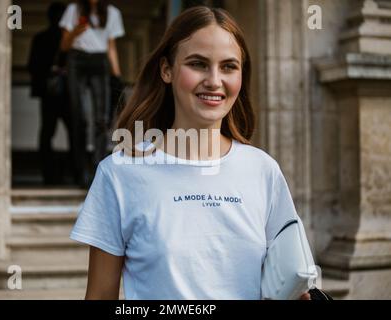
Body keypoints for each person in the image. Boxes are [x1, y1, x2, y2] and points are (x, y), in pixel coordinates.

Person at [70, 7, 311, 300]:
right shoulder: (119, 173)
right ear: (167, 70)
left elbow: (287, 283)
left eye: (228, 66)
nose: (214, 80)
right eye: (198, 64)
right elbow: (99, 295)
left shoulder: (263, 170)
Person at [59, 0, 125, 188]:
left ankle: (98, 169)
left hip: (100, 61)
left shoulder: (112, 12)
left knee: (102, 119)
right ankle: (81, 171)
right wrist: (77, 29)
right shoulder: (73, 9)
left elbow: (111, 47)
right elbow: (64, 45)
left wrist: (117, 75)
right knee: (79, 118)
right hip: (76, 60)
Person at [28, 2, 73, 185]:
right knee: (72, 133)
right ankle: (66, 173)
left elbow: (32, 66)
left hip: (53, 93)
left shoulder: (42, 38)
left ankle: (52, 173)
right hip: (62, 93)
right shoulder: (68, 40)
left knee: (48, 133)